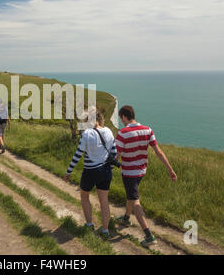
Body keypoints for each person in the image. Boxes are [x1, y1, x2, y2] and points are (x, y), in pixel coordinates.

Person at [115, 105, 177, 247]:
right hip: (141, 171)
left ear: (124, 116)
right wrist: (170, 169)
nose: (122, 121)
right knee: (131, 195)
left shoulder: (123, 133)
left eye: (121, 118)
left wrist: (108, 166)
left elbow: (116, 156)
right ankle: (125, 218)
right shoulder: (148, 130)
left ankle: (149, 235)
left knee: (135, 200)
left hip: (129, 172)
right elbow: (158, 152)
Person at [63, 110, 117, 239]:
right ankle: (105, 231)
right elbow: (114, 152)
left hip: (90, 171)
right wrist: (110, 167)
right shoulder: (109, 131)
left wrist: (69, 171)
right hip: (105, 170)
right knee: (104, 202)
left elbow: (78, 154)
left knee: (84, 195)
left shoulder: (87, 134)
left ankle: (89, 224)